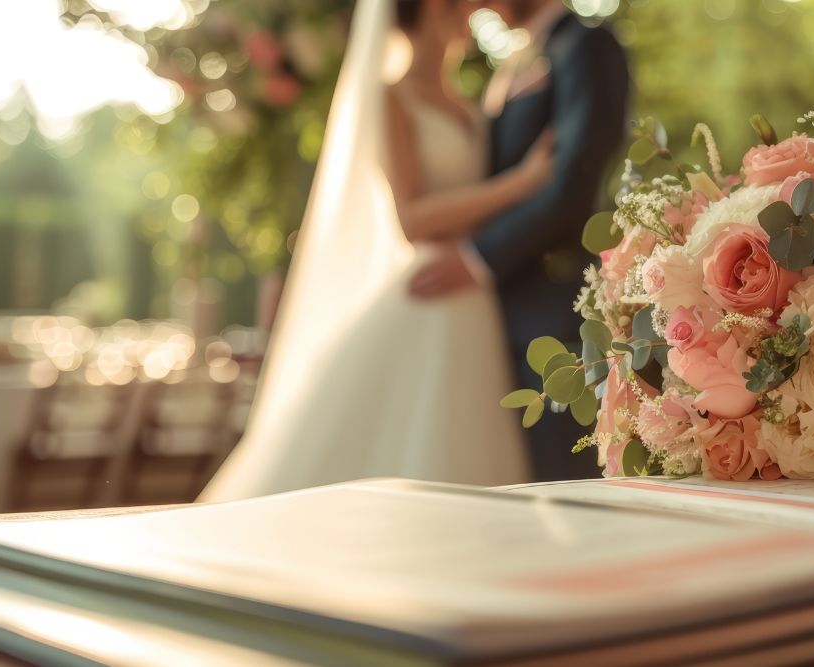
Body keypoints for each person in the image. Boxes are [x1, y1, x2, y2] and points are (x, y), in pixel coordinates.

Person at [201, 0, 551, 500]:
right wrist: (521, 184)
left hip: (472, 294)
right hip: (427, 286)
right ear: (434, 8)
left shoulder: (472, 102)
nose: (478, 10)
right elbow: (411, 218)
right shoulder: (391, 99)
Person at [410, 0, 630, 481]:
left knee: (565, 487)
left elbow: (572, 185)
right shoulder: (512, 64)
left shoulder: (587, 44)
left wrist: (477, 258)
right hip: (489, 317)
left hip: (554, 313)